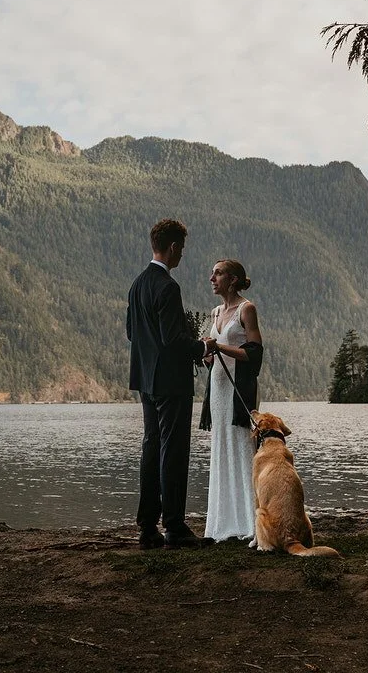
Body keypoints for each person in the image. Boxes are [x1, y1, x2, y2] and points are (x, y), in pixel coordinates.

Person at [127, 218, 217, 550]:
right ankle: (175, 528)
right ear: (174, 247)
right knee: (173, 451)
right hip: (171, 382)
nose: (182, 256)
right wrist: (202, 347)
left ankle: (148, 527)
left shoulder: (137, 284)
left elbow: (131, 334)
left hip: (145, 381)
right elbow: (173, 340)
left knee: (151, 447)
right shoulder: (168, 287)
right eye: (182, 250)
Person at [199, 259, 263, 543]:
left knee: (242, 449)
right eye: (213, 273)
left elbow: (255, 352)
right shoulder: (214, 312)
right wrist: (208, 355)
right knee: (222, 447)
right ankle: (223, 525)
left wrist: (220, 347)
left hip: (239, 390)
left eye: (218, 273)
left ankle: (252, 524)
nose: (212, 278)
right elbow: (214, 353)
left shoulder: (246, 309)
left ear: (233, 279)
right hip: (218, 389)